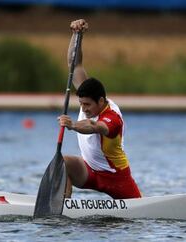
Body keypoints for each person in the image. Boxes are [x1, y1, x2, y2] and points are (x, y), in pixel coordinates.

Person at [58, 19, 142, 199]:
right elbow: (75, 64)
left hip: (117, 178)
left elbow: (95, 127)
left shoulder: (113, 116)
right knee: (62, 162)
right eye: (81, 104)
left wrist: (72, 125)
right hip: (90, 171)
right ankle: (64, 205)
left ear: (101, 101)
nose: (84, 108)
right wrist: (76, 35)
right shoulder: (88, 97)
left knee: (139, 214)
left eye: (87, 105)